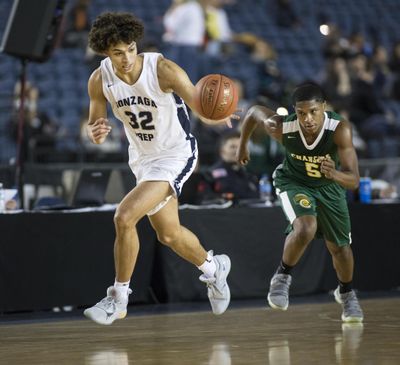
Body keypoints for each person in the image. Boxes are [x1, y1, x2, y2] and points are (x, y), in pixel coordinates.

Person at [83, 12, 233, 325]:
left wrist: (216, 113)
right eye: (117, 53)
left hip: (175, 154)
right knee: (169, 234)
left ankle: (118, 297)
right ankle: (213, 269)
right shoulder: (100, 79)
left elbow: (198, 104)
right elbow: (95, 124)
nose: (125, 59)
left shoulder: (162, 69)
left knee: (125, 216)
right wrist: (95, 132)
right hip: (143, 159)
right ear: (105, 53)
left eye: (130, 50)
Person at [237, 83, 363, 323]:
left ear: (323, 108)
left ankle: (346, 293)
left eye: (313, 111)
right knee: (306, 227)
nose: (307, 119)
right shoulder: (282, 126)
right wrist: (243, 144)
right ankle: (282, 277)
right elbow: (253, 112)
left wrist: (334, 174)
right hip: (294, 182)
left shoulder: (340, 129)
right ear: (295, 111)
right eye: (302, 113)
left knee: (341, 249)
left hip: (330, 187)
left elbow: (354, 180)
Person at [208, 130, 259, 201]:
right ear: (222, 151)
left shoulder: (249, 173)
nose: (237, 151)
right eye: (232, 147)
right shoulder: (214, 174)